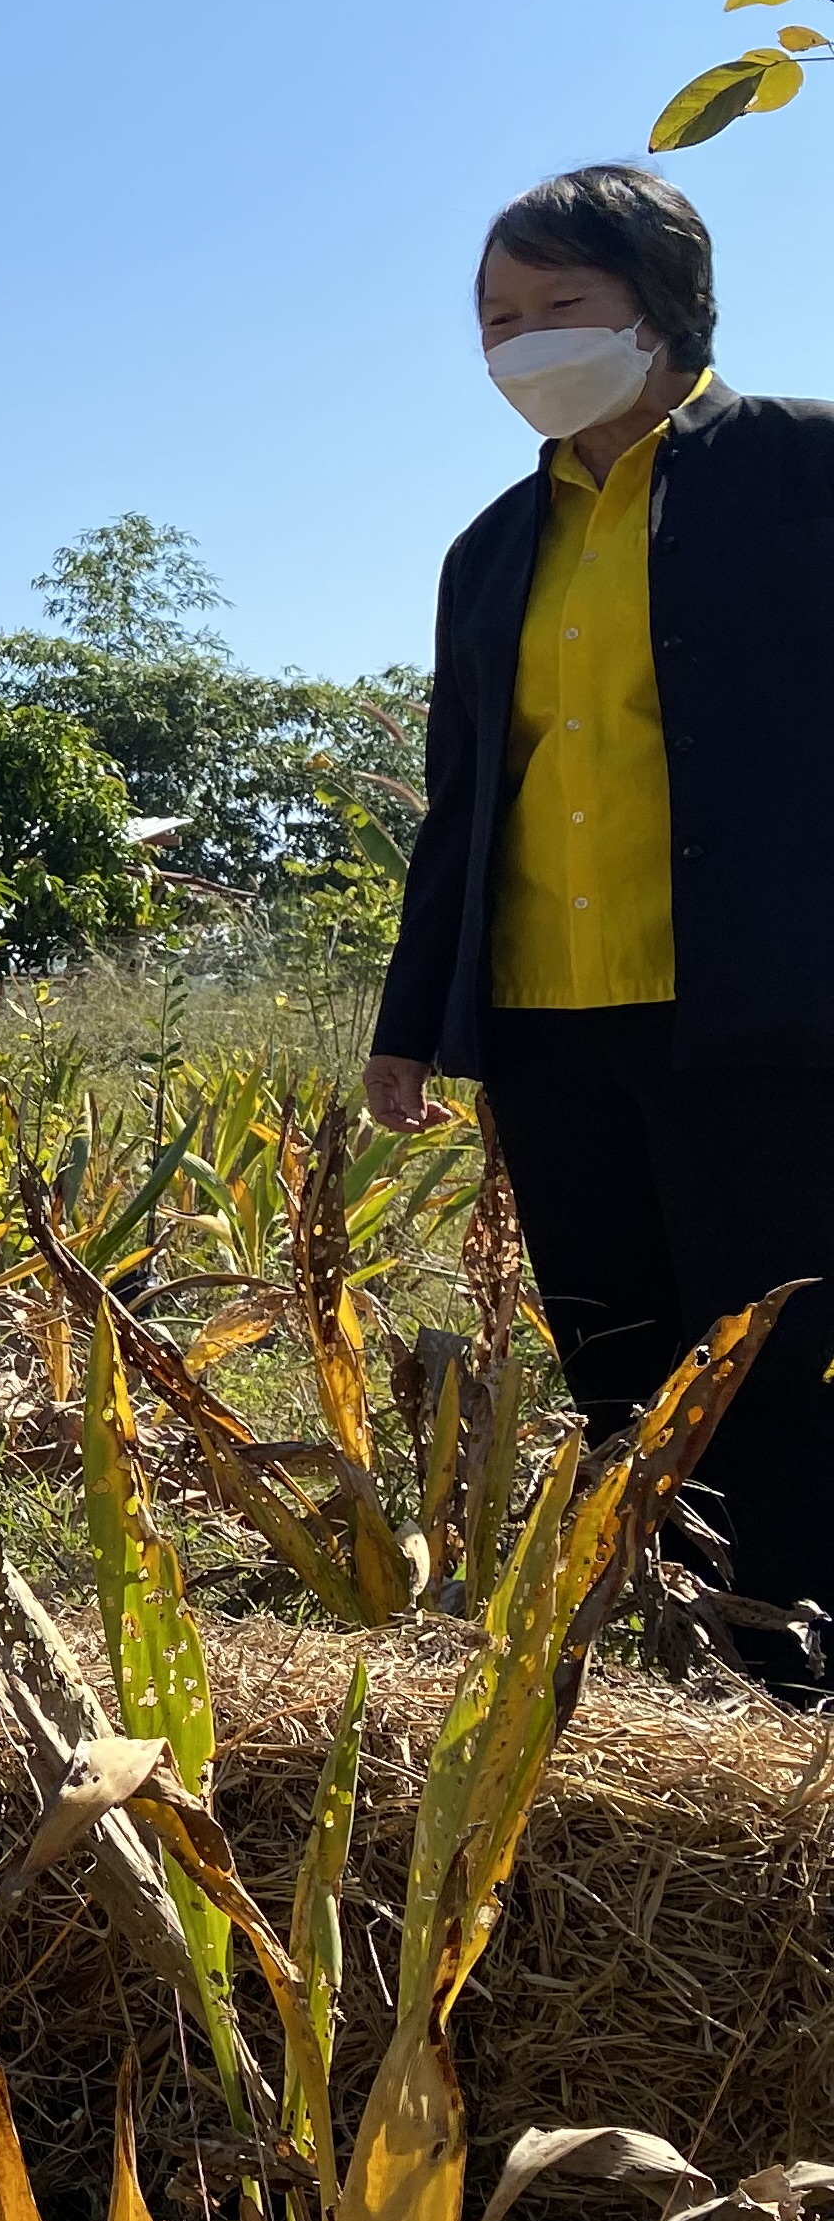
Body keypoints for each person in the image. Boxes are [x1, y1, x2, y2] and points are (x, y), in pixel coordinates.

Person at [367, 164, 834, 1698]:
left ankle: (798, 1683)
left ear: (665, 305)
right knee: (625, 1366)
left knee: (776, 1369)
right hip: (549, 1025)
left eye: (558, 305)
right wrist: (408, 1023)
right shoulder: (491, 550)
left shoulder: (801, 468)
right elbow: (467, 805)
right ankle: (695, 1669)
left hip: (760, 1014)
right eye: (497, 317)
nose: (521, 341)